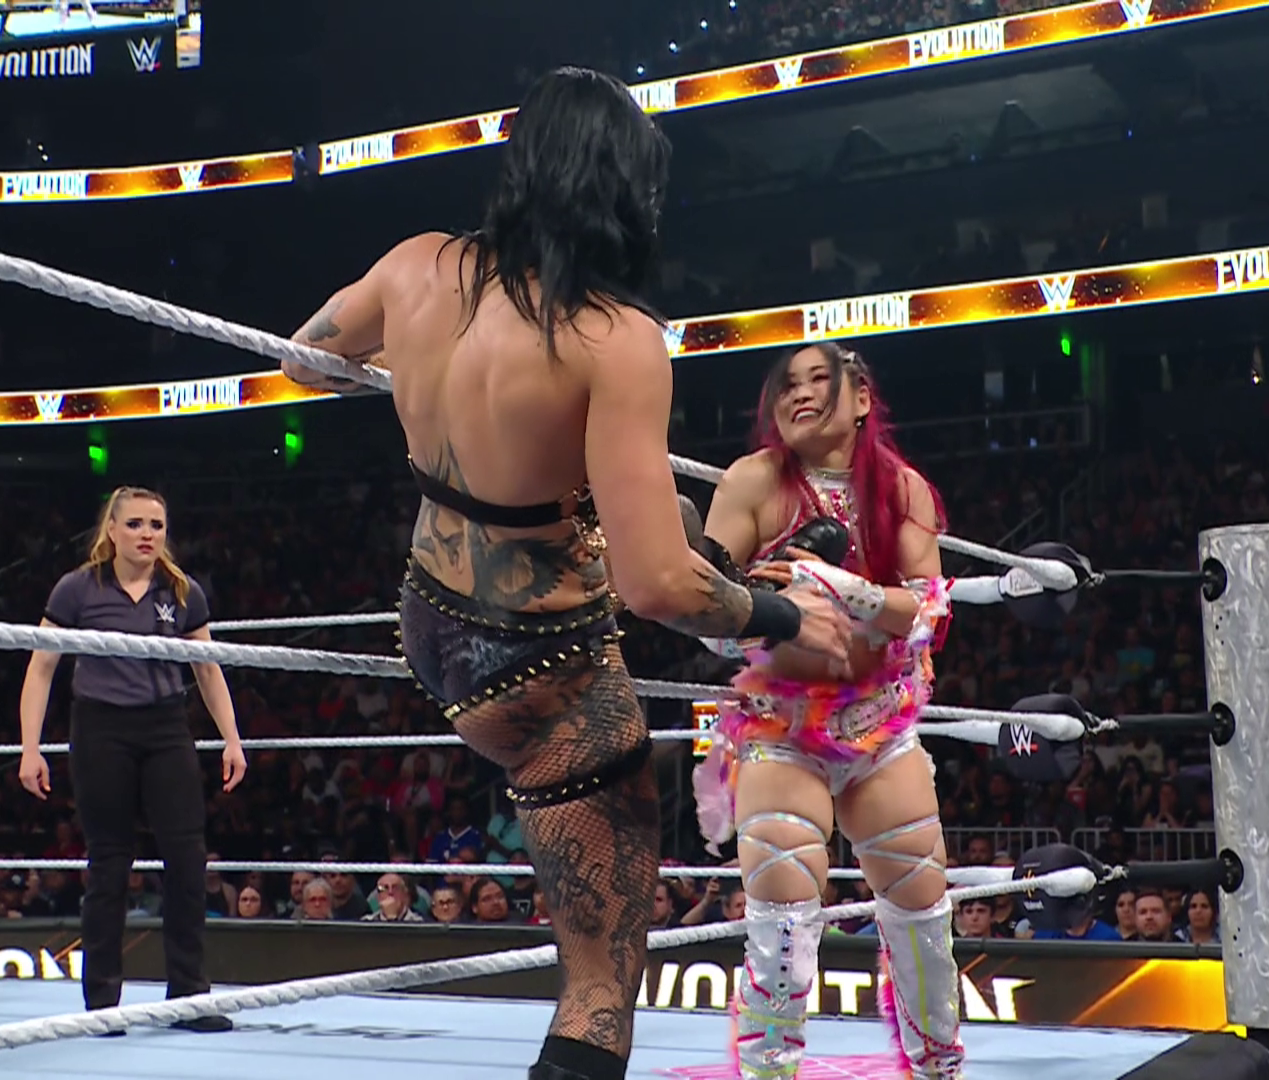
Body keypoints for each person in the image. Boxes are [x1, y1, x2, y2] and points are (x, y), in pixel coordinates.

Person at [279, 67, 851, 1080]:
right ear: (624, 187)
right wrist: (780, 618)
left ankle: (734, 555)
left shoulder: (417, 264)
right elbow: (656, 589)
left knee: (671, 532)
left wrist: (427, 380)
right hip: (542, 661)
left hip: (431, 618)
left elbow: (305, 359)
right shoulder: (613, 337)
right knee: (597, 984)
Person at [694, 342, 998, 1080]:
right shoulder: (752, 482)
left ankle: (939, 1068)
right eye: (785, 386)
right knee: (782, 910)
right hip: (781, 725)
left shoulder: (900, 488)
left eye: (817, 381)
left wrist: (845, 588)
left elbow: (929, 611)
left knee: (921, 905)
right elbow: (702, 609)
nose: (798, 395)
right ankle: (769, 1072)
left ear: (861, 398)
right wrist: (774, 609)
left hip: (877, 721)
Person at [18, 486, 246, 1033]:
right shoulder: (78, 588)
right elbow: (42, 667)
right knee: (109, 864)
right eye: (136, 524)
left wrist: (232, 739)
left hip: (165, 727)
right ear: (113, 530)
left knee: (187, 859)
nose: (147, 534)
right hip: (101, 729)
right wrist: (30, 747)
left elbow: (207, 668)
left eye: (157, 525)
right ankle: (102, 1005)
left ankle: (189, 996)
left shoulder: (182, 590)